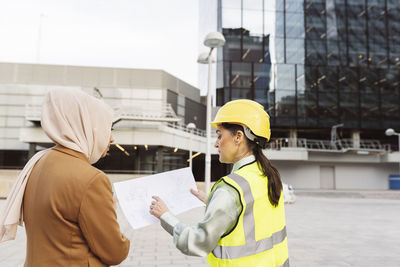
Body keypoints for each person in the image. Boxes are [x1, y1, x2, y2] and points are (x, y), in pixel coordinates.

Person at [150, 99, 289, 267]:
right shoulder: (269, 175)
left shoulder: (230, 189)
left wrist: (165, 216)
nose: (216, 143)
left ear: (238, 136)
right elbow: (252, 216)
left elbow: (197, 242)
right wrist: (213, 201)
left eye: (219, 135)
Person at [0, 88, 130, 267]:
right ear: (86, 126)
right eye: (108, 128)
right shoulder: (92, 179)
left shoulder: (37, 163)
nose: (112, 139)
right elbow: (115, 252)